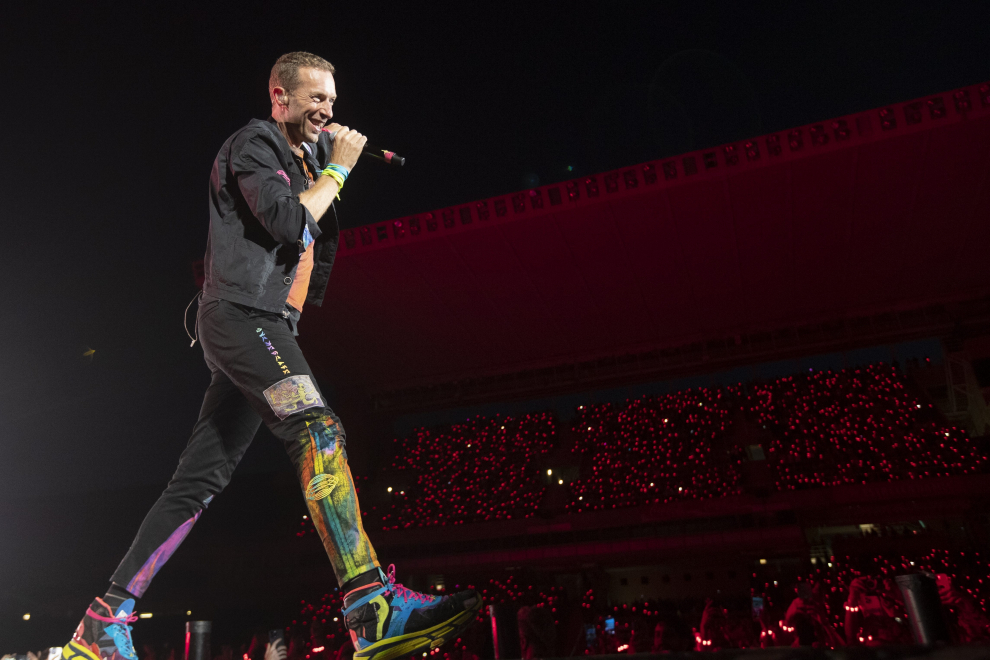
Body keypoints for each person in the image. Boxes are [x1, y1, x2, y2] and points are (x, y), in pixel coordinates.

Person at [60, 51, 481, 660]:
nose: (327, 110)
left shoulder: (303, 157)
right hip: (241, 318)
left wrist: (324, 165)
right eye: (314, 99)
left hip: (263, 325)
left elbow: (309, 245)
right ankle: (370, 608)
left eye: (332, 101)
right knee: (319, 430)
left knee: (197, 481)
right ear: (278, 97)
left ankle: (102, 625)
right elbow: (288, 224)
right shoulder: (253, 144)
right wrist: (336, 172)